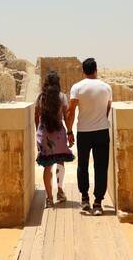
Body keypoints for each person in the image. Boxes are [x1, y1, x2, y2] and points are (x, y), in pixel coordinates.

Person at [66, 57, 113, 215]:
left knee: (83, 165)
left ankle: (85, 198)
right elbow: (108, 108)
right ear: (96, 70)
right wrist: (101, 120)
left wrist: (69, 131)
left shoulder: (77, 87)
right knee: (101, 167)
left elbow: (71, 110)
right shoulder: (106, 87)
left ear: (83, 71)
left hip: (84, 132)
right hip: (102, 131)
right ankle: (98, 202)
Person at [34, 70, 75, 208]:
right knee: (60, 162)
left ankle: (49, 198)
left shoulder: (40, 97)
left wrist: (38, 133)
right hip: (58, 134)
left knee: (47, 166)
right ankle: (60, 191)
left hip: (45, 135)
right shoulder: (62, 97)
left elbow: (36, 117)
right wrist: (69, 132)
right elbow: (66, 115)